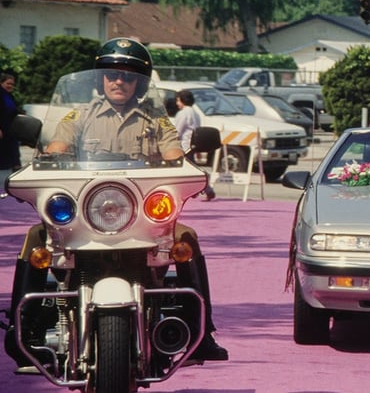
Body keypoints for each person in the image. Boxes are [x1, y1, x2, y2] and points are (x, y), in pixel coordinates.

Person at [5, 39, 228, 369]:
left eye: (128, 75)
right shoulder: (79, 115)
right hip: (86, 218)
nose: (119, 81)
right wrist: (51, 156)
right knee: (37, 237)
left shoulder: (156, 120)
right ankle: (23, 332)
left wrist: (181, 161)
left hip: (138, 219)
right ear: (101, 80)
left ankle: (201, 332)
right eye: (111, 75)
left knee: (186, 237)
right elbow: (57, 146)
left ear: (140, 82)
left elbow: (172, 154)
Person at [175, 89, 215, 200]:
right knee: (192, 169)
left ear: (183, 100)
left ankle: (205, 188)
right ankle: (203, 189)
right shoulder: (195, 113)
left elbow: (177, 130)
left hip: (184, 145)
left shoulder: (183, 113)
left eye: (178, 100)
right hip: (192, 145)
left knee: (185, 170)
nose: (177, 103)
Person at [0, 73, 22, 171]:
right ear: (1, 83)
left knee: (12, 149)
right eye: (8, 83)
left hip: (10, 129)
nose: (10, 86)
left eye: (12, 84)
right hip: (2, 129)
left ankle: (15, 166)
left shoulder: (9, 95)